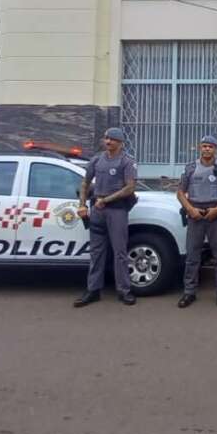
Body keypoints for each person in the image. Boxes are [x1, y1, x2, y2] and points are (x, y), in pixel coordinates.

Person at [74, 128, 138, 308]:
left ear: (121, 143)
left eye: (112, 139)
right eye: (106, 138)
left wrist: (106, 200)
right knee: (96, 253)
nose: (108, 141)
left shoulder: (127, 161)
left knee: (120, 253)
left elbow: (130, 188)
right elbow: (85, 183)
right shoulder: (97, 160)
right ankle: (93, 290)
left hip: (117, 210)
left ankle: (124, 290)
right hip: (97, 210)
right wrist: (82, 204)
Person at [176, 135, 217, 308]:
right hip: (195, 214)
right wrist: (190, 209)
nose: (207, 149)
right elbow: (180, 192)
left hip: (216, 215)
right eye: (204, 146)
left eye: (210, 146)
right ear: (200, 148)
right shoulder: (190, 167)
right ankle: (189, 292)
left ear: (215, 149)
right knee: (192, 256)